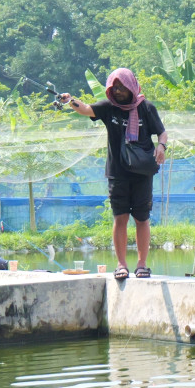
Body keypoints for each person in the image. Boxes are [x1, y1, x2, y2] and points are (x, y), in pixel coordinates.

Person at [59, 69, 167, 280]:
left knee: (142, 218)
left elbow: (161, 131)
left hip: (142, 173)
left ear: (132, 87)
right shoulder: (109, 108)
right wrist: (70, 100)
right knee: (120, 218)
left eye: (121, 87)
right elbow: (88, 109)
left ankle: (142, 264)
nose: (117, 91)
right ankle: (121, 265)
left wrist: (161, 146)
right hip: (118, 173)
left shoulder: (146, 108)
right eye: (114, 87)